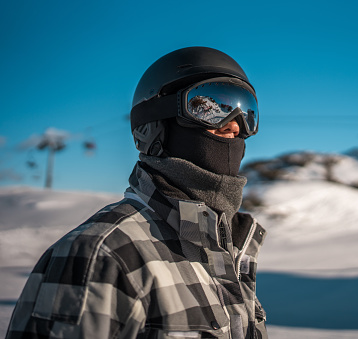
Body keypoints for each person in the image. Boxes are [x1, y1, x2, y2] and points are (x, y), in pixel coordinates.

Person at [7, 47, 268, 339]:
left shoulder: (230, 251)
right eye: (213, 105)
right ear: (156, 125)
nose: (235, 124)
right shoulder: (101, 256)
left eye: (247, 111)